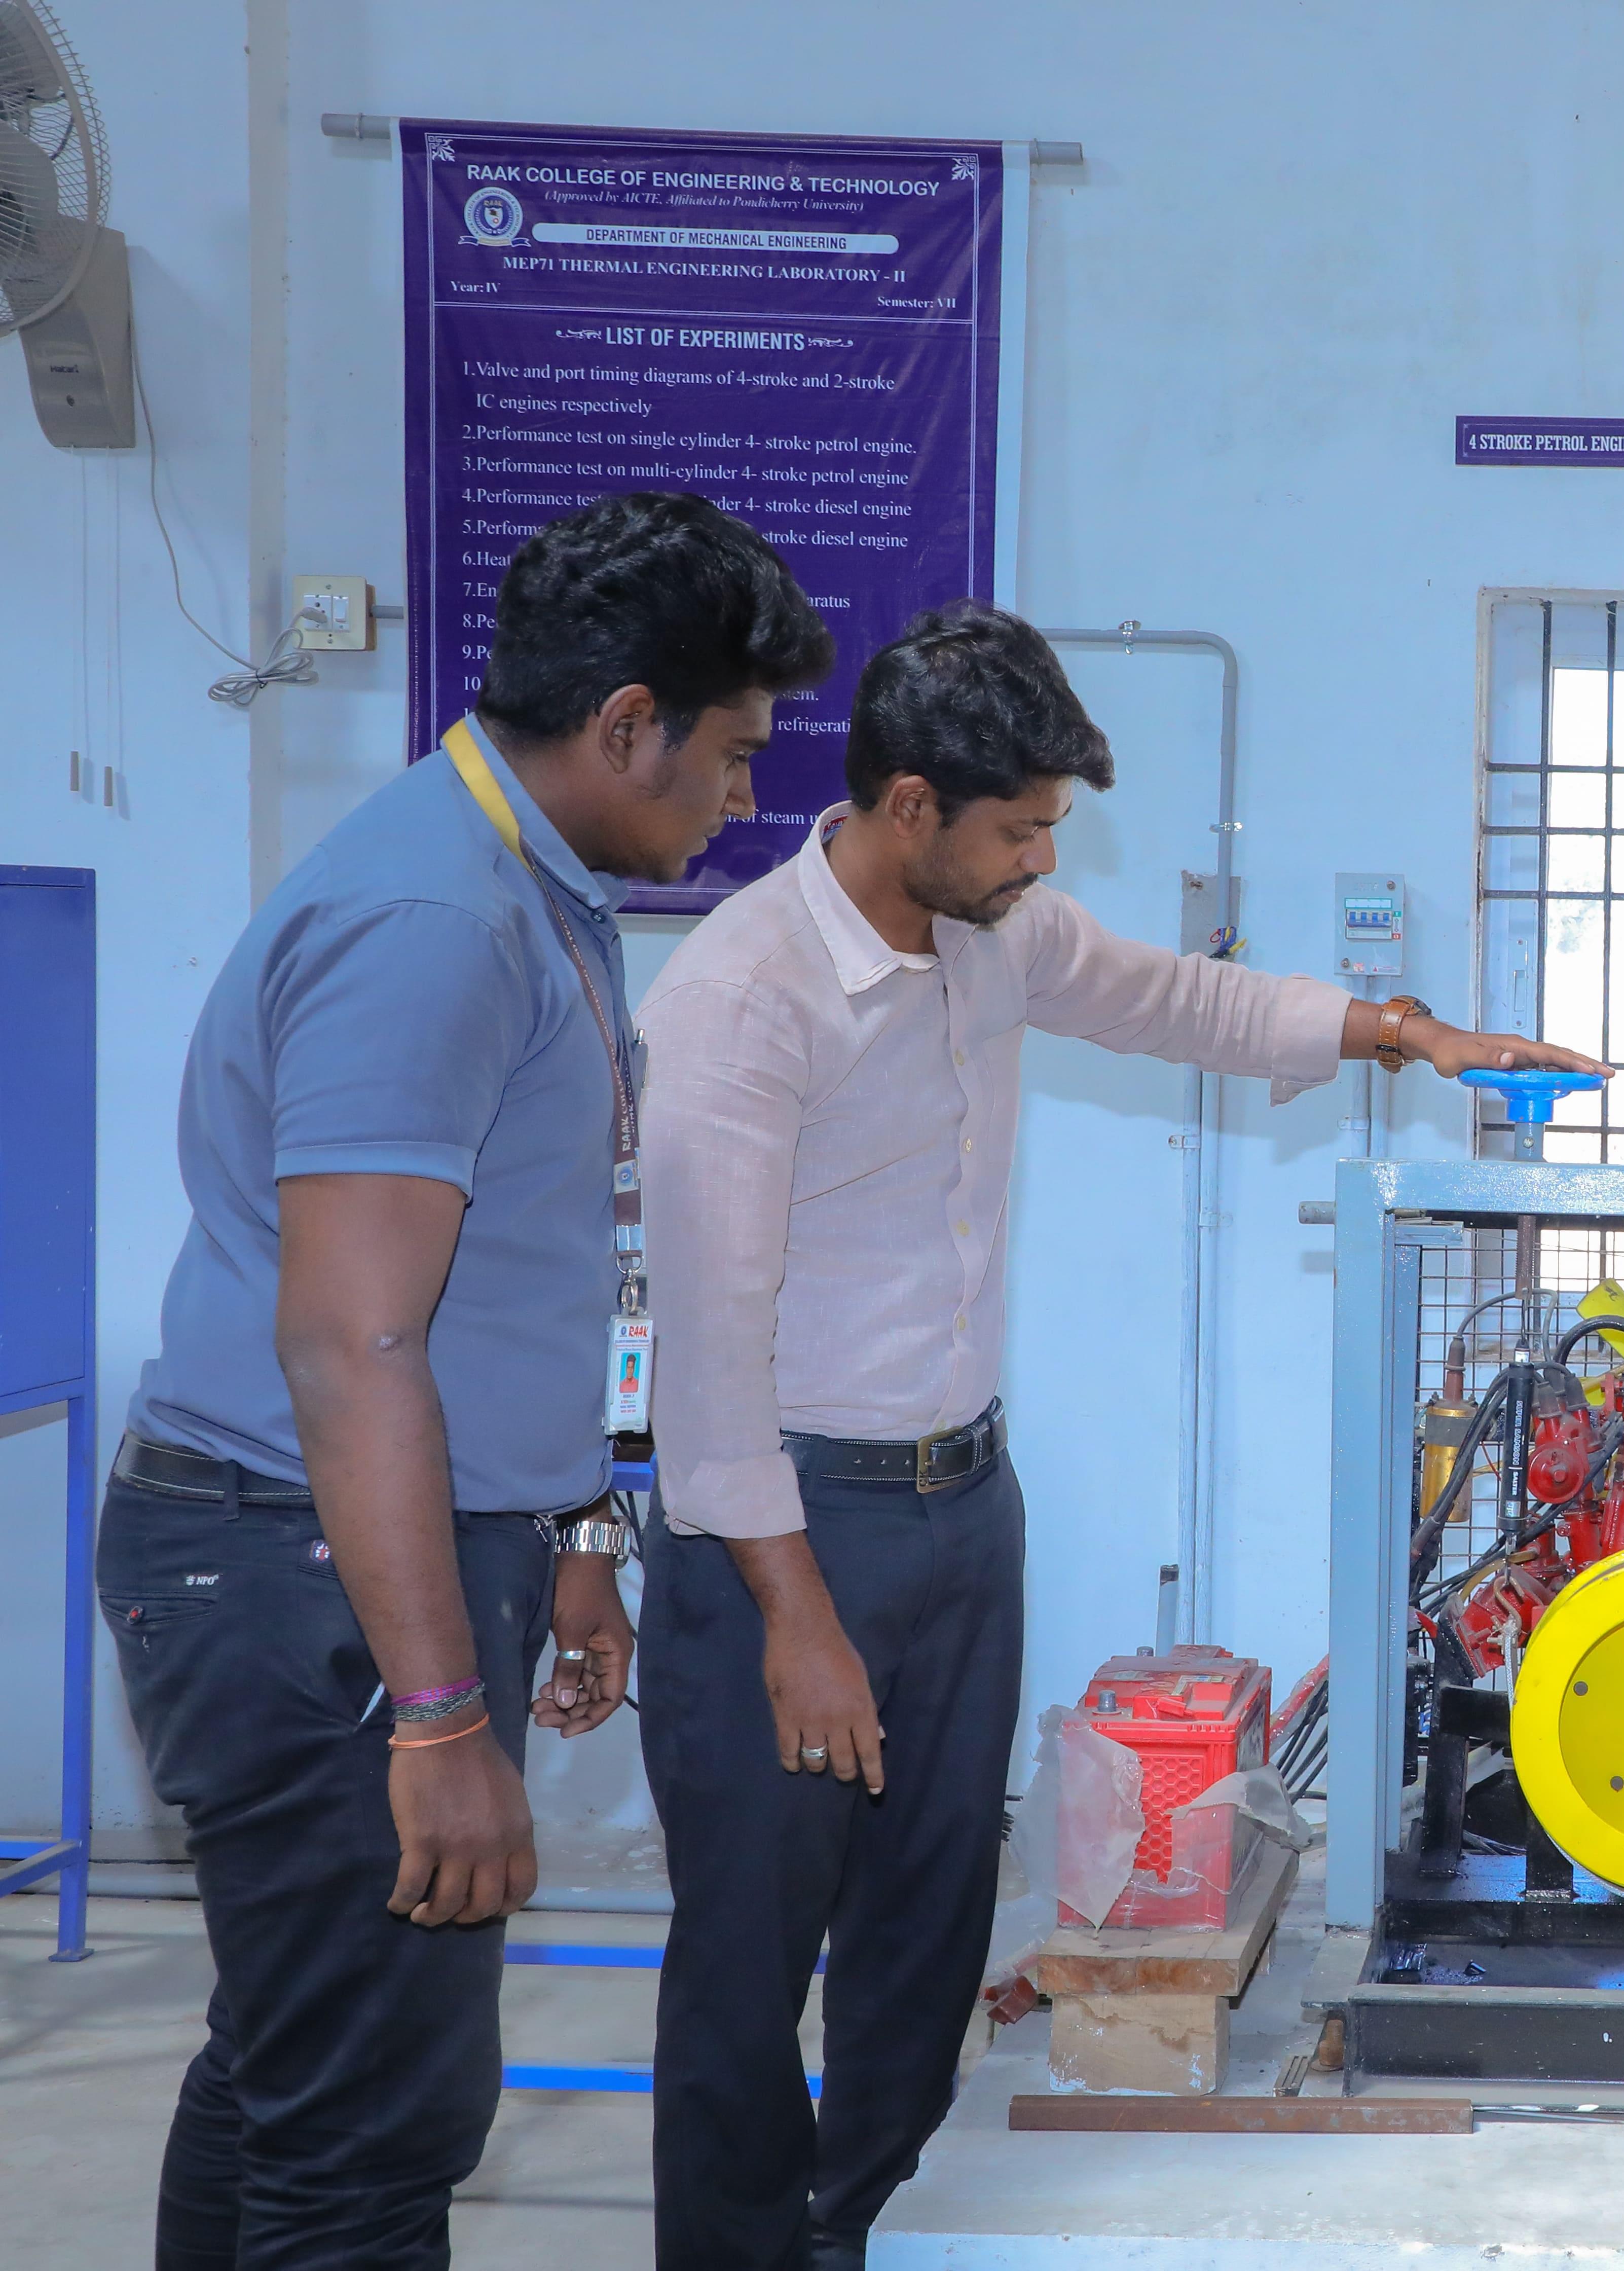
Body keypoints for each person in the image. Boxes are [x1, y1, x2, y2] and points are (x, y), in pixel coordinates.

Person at [634, 600, 1605, 2269]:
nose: (1037, 863)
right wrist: (795, 1618)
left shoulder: (996, 939)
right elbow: (709, 1349)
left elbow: (1182, 1004)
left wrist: (1411, 1034)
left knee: (929, 1928)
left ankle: (866, 2232)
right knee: (749, 1952)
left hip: (960, 1506)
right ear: (917, 806)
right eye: (1019, 830)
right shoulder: (745, 995)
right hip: (783, 1536)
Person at [98, 490, 831, 2268]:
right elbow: (351, 1343)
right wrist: (437, 1720)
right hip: (304, 1576)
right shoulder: (435, 918)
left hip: (372, 1549)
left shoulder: (522, 883)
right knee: (371, 2132)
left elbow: (510, 1278)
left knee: (296, 2073)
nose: (743, 799)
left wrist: (571, 1526)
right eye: (730, 755)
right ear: (625, 725)